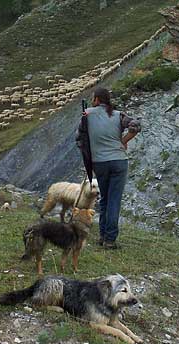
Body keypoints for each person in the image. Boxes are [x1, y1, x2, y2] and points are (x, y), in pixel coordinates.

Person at [76, 87, 141, 249]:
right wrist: (123, 141)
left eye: (93, 98)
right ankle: (110, 240)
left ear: (97, 99)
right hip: (118, 161)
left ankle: (103, 235)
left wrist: (90, 154)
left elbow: (79, 139)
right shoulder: (119, 115)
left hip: (99, 163)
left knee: (104, 199)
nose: (92, 101)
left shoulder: (86, 115)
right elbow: (136, 126)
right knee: (114, 200)